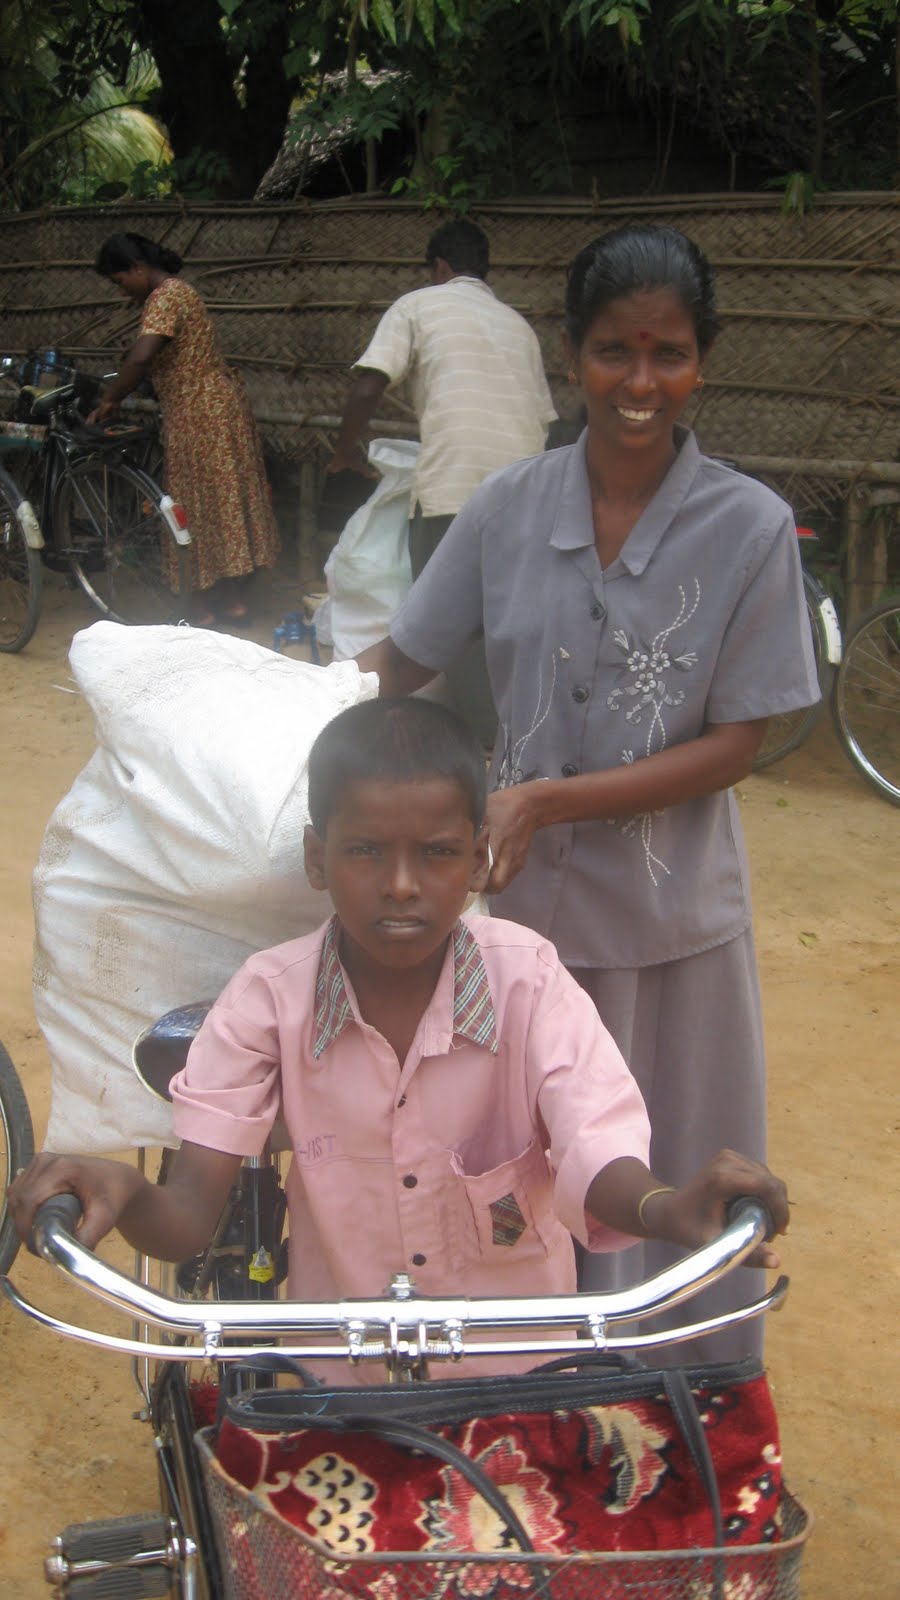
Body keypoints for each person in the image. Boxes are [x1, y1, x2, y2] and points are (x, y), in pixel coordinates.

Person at [10, 699, 787, 1384]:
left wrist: (666, 1207)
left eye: (438, 853)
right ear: (317, 859)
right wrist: (125, 1189)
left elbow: (596, 1147)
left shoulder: (529, 983)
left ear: (478, 859)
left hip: (521, 1378)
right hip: (339, 1388)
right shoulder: (267, 1001)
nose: (402, 884)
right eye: (365, 851)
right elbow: (186, 1219)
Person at [356, 225, 820, 1365]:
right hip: (531, 937)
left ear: (702, 360)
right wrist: (271, 699)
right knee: (527, 1177)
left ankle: (687, 1405)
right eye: (616, 350)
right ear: (572, 355)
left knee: (673, 1179)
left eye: (670, 353)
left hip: (673, 935)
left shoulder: (750, 527)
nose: (640, 382)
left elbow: (740, 741)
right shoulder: (506, 507)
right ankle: (537, 1395)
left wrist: (544, 802)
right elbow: (403, 660)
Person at [328, 219, 557, 747]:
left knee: (449, 622)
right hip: (529, 496)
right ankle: (519, 728)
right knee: (508, 619)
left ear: (440, 267)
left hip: (453, 492)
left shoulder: (417, 305)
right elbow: (544, 420)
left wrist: (343, 451)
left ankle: (490, 742)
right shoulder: (518, 326)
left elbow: (369, 385)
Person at [90, 232, 280, 627]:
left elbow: (142, 356)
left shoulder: (165, 297)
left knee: (193, 505)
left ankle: (198, 605)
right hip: (218, 407)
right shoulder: (180, 292)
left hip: (198, 413)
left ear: (137, 268)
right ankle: (231, 600)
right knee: (223, 502)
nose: (122, 291)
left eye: (120, 281)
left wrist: (110, 400)